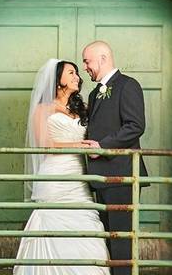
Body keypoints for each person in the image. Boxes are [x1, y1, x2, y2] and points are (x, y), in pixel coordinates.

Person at [15, 59, 109, 275]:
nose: (77, 76)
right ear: (57, 80)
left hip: (79, 178)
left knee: (86, 226)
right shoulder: (43, 109)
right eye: (71, 72)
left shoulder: (82, 108)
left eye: (77, 72)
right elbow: (46, 146)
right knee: (54, 227)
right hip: (55, 178)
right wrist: (78, 145)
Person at [81, 41, 147, 275]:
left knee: (122, 243)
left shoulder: (127, 85)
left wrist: (104, 146)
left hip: (123, 175)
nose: (85, 67)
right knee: (107, 240)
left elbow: (135, 126)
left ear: (103, 58)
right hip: (101, 178)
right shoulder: (93, 92)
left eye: (87, 61)